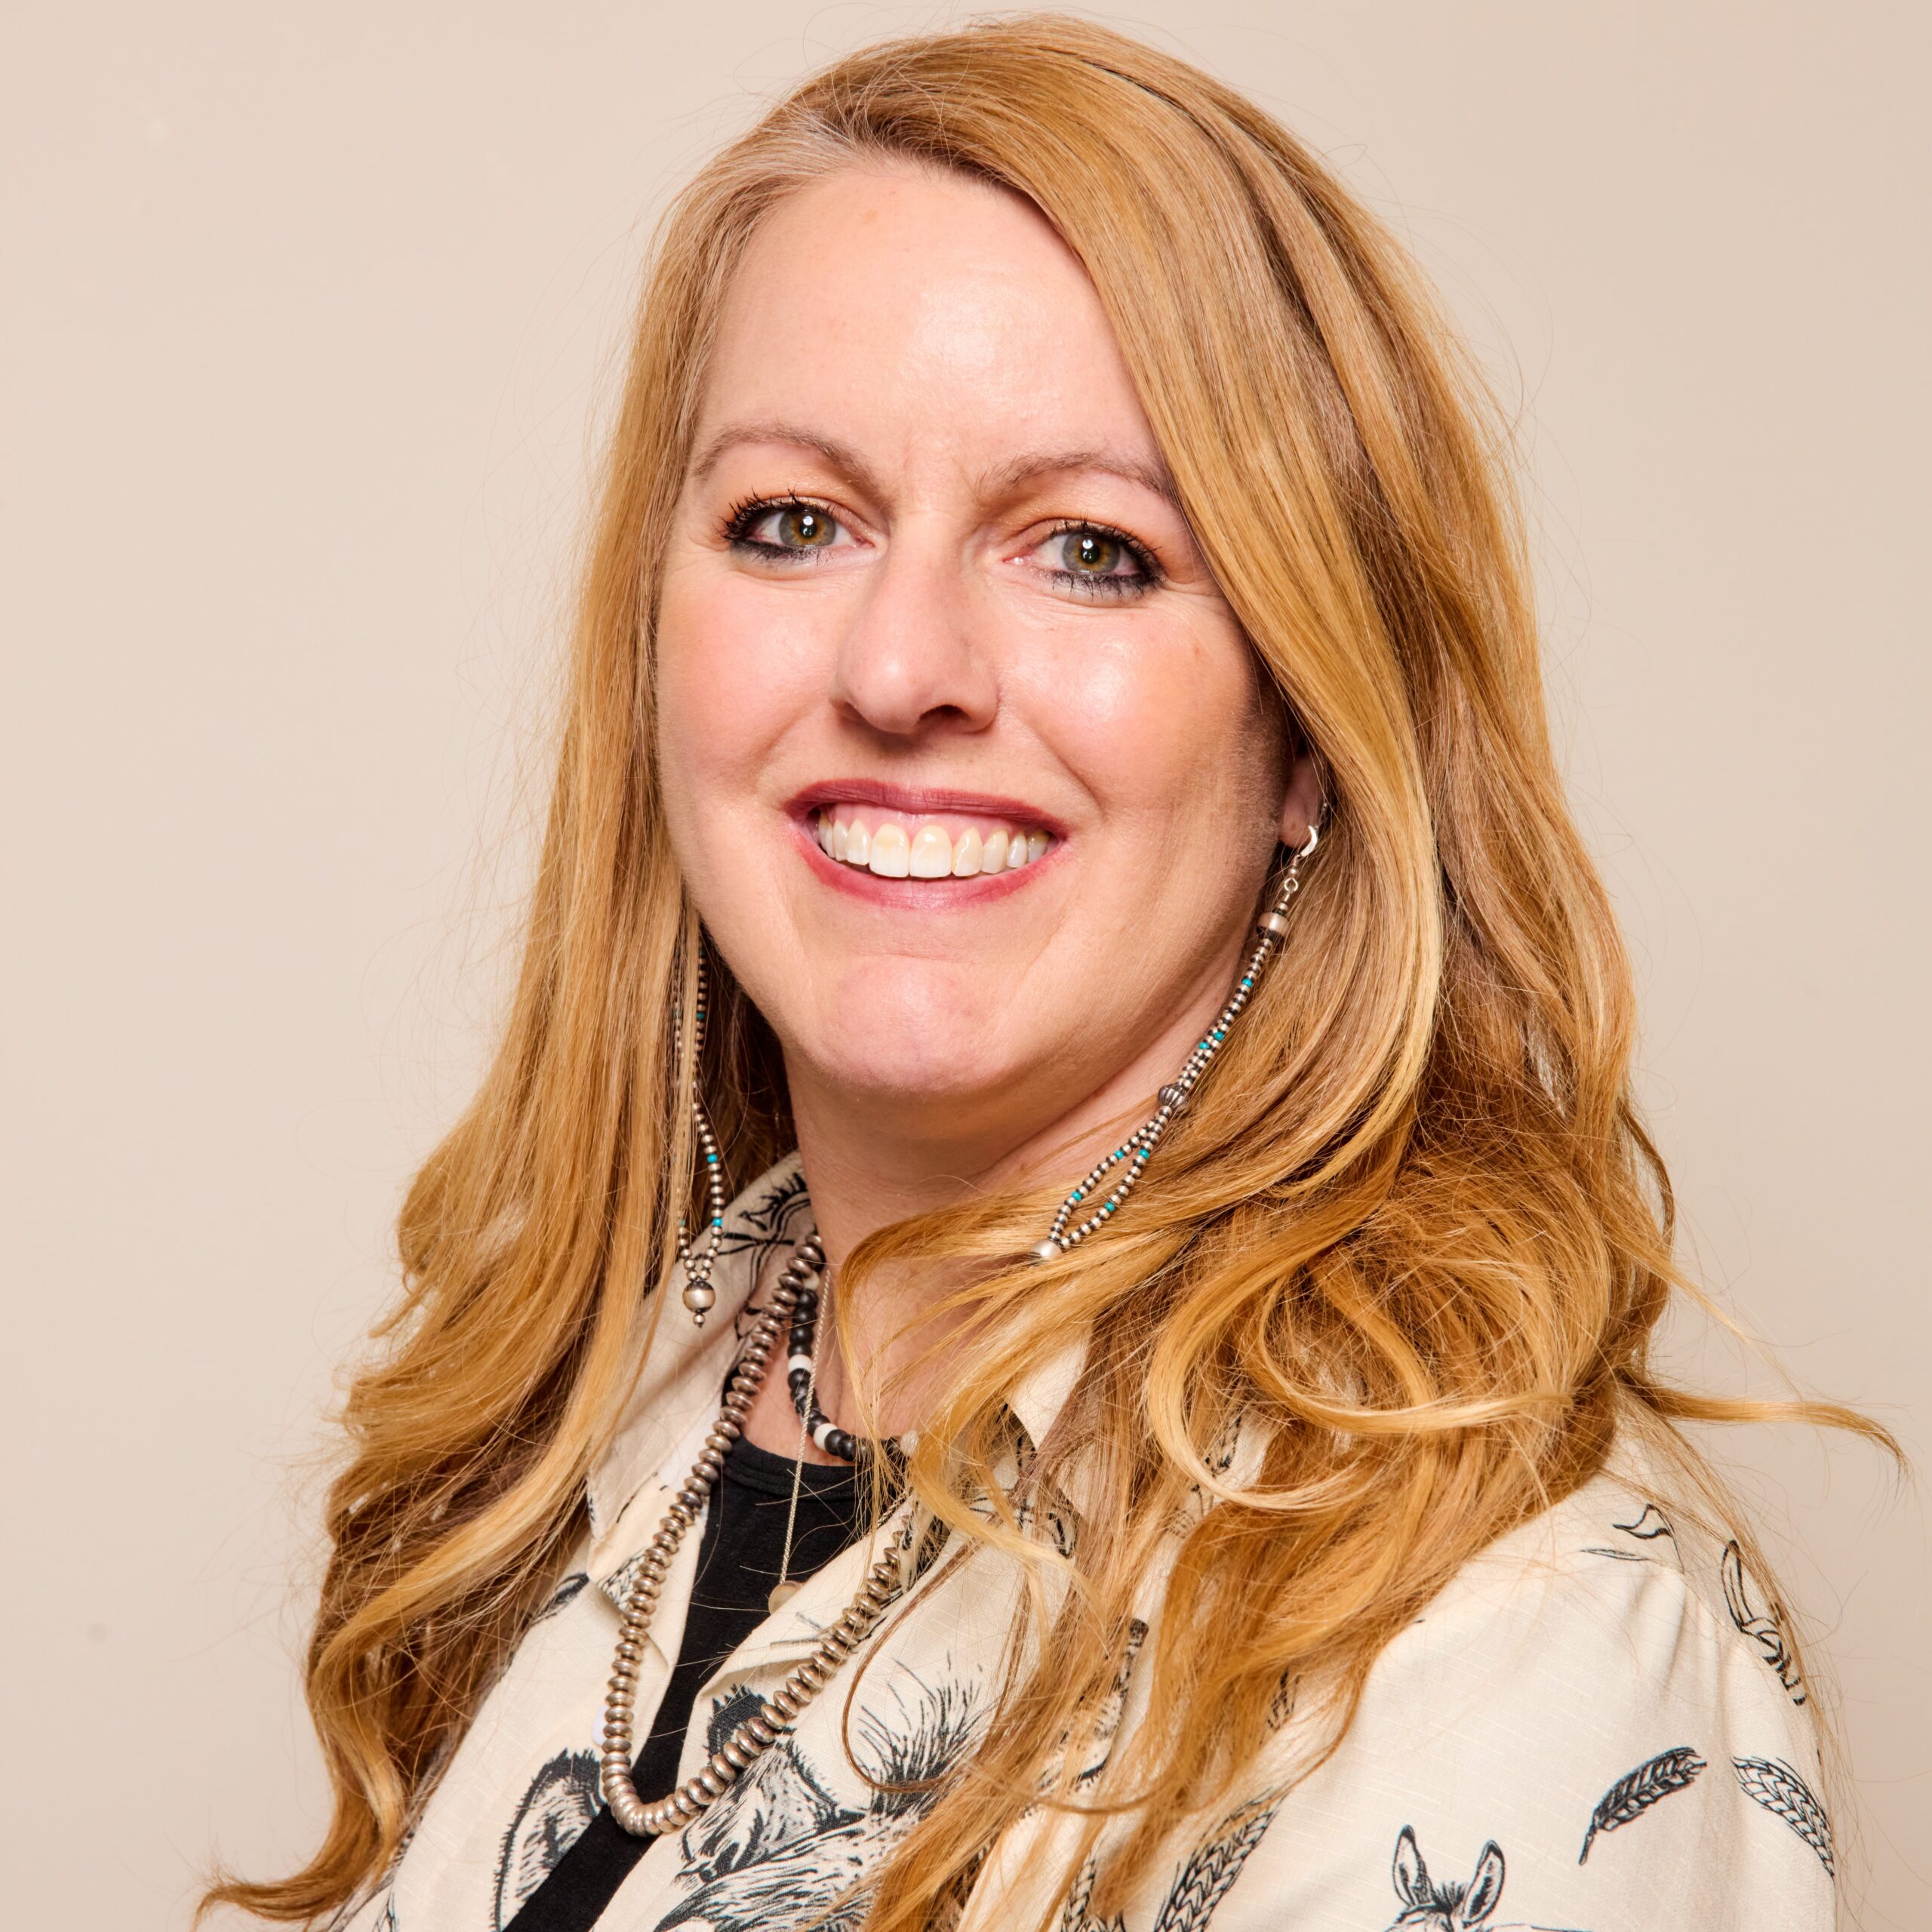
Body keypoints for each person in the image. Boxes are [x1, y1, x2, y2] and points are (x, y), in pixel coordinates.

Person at [205, 19, 1885, 1932]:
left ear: (1311, 733)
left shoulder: (1502, 1640)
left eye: (1089, 548)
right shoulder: (620, 1428)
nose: (902, 662)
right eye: (792, 522)